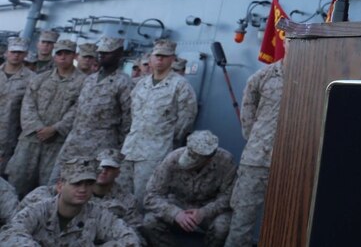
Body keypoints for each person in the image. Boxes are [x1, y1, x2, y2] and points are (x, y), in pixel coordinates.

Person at [6, 39, 87, 197]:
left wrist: (55, 129)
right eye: (59, 53)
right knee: (17, 182)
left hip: (57, 143)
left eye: (67, 53)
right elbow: (28, 105)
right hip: (31, 139)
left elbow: (79, 109)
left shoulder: (84, 82)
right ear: (54, 56)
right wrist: (38, 128)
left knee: (49, 187)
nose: (63, 57)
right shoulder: (39, 79)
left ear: (75, 56)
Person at [121, 39, 198, 203]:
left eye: (165, 56)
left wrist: (165, 139)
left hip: (155, 152)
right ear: (151, 58)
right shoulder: (142, 84)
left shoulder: (180, 86)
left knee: (143, 197)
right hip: (130, 149)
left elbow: (186, 120)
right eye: (157, 56)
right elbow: (132, 113)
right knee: (121, 194)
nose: (160, 60)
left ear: (172, 59)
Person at [0, 157, 140, 246]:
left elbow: (130, 239)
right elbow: (10, 234)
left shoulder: (99, 214)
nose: (83, 189)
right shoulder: (38, 210)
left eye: (89, 183)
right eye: (76, 184)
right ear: (60, 186)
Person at [225, 52, 285, 246]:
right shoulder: (262, 76)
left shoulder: (314, 76)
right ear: (285, 43)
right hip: (257, 160)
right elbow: (248, 114)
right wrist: (259, 141)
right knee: (242, 219)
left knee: (285, 220)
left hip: (293, 163)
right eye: (291, 40)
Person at [52, 37, 132, 181]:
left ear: (119, 54)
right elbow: (78, 108)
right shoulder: (90, 79)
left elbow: (127, 118)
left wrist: (119, 147)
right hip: (75, 140)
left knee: (90, 182)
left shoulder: (124, 82)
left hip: (101, 143)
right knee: (59, 178)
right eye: (101, 52)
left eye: (108, 53)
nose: (102, 56)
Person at [142, 130, 235, 247]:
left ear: (209, 159)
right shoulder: (172, 159)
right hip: (178, 204)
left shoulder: (226, 162)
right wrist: (175, 213)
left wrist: (204, 212)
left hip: (207, 208)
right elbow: (150, 196)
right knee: (149, 222)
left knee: (223, 226)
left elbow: (228, 197)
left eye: (196, 160)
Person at [0, 37, 34, 174]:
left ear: (25, 55)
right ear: (6, 53)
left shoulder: (32, 79)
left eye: (20, 52)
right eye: (13, 51)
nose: (16, 55)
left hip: (10, 137)